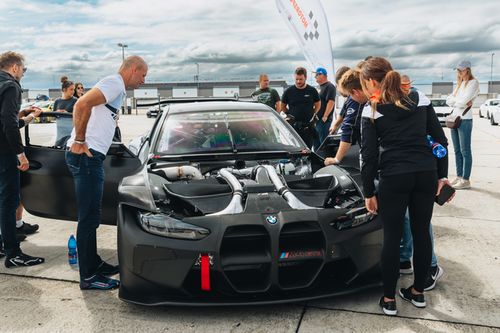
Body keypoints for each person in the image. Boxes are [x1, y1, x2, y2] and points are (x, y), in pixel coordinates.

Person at [359, 57, 451, 316]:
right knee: (422, 234)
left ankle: (389, 299)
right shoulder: (420, 99)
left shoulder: (372, 108)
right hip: (425, 174)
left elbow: (369, 156)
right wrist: (442, 177)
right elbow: (440, 139)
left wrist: (368, 192)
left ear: (370, 82)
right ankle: (418, 293)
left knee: (392, 237)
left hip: (394, 177)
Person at [66, 55, 148, 290]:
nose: (143, 80)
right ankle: (89, 276)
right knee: (88, 218)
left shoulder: (117, 87)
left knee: (93, 216)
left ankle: (94, 263)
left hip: (91, 156)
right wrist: (80, 139)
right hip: (86, 156)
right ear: (133, 70)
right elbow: (82, 104)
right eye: (143, 75)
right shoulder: (114, 83)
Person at [398, 74, 443, 291]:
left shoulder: (420, 101)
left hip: (424, 169)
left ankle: (432, 267)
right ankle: (406, 257)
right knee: (408, 218)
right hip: (410, 169)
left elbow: (439, 138)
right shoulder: (394, 102)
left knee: (421, 222)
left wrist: (442, 177)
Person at [0, 51, 45, 267]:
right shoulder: (11, 86)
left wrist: (23, 116)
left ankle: (2, 244)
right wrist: (20, 154)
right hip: (5, 154)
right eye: (23, 70)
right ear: (15, 68)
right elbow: (8, 124)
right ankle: (13, 253)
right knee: (9, 201)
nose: (22, 74)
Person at [446, 60, 479, 190]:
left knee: (465, 151)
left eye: (461, 70)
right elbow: (449, 100)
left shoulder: (473, 83)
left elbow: (462, 102)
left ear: (468, 70)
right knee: (457, 150)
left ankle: (466, 180)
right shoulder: (459, 84)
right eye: (458, 70)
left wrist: (459, 101)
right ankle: (459, 176)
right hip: (455, 119)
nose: (459, 72)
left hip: (465, 119)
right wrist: (458, 101)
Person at [324, 69, 366, 166]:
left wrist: (337, 159)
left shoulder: (356, 100)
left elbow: (348, 129)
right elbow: (344, 111)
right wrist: (336, 124)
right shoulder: (355, 98)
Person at [281, 67, 320, 149]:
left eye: (301, 79)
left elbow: (318, 103)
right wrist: (288, 114)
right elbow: (283, 105)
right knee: (295, 149)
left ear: (305, 78)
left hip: (308, 126)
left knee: (307, 149)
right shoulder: (288, 91)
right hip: (294, 127)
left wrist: (314, 113)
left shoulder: (312, 90)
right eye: (296, 79)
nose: (298, 81)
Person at [313, 67, 336, 149]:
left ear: (322, 75)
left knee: (323, 142)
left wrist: (325, 116)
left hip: (323, 120)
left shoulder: (329, 86)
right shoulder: (320, 87)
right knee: (316, 142)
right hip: (317, 119)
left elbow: (331, 102)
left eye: (317, 75)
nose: (315, 77)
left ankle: (325, 159)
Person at [54, 76, 77, 146]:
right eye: (71, 89)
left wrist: (67, 114)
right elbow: (53, 117)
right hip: (60, 134)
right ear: (64, 90)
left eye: (74, 89)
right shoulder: (57, 101)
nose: (73, 91)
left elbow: (79, 117)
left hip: (71, 134)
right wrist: (56, 112)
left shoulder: (76, 101)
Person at [329, 66, 351, 134]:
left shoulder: (354, 99)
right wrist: (335, 125)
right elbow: (343, 112)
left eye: (338, 85)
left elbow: (348, 126)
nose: (338, 89)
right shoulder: (349, 99)